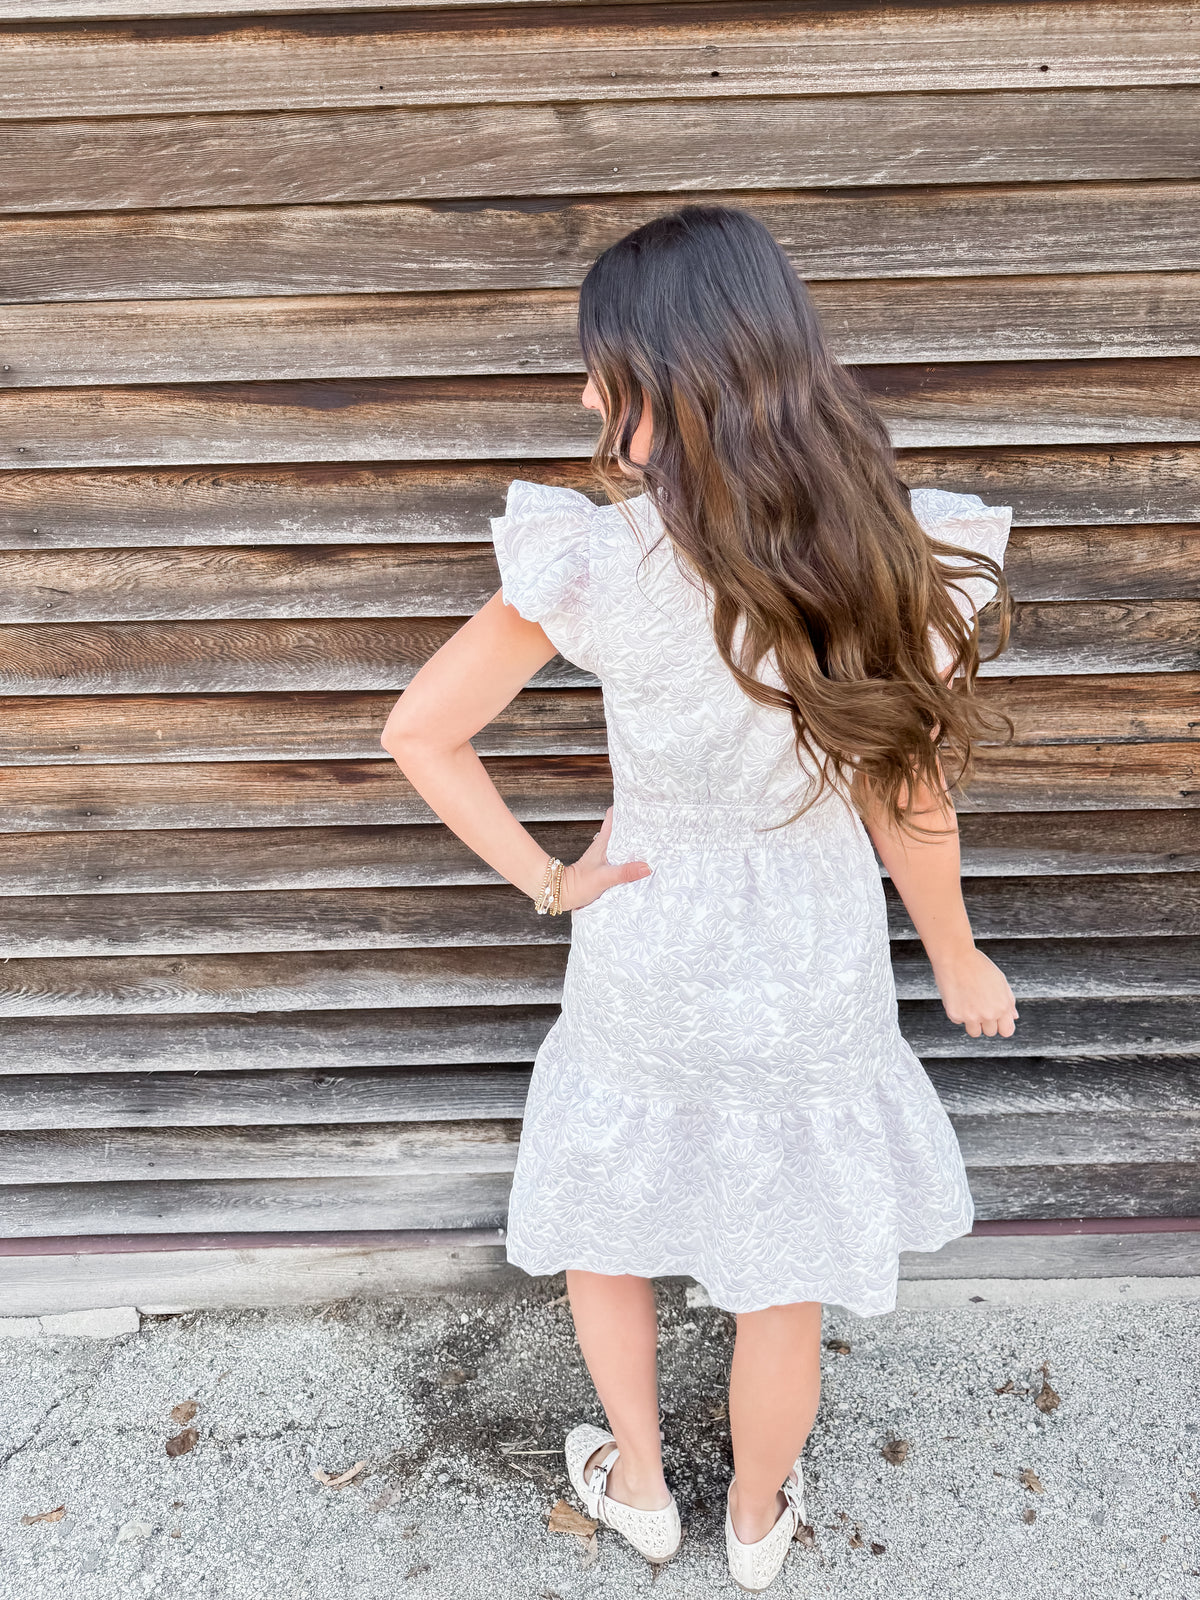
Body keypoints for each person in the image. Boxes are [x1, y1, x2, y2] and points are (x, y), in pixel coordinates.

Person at [382, 206, 1018, 1592]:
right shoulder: (896, 555)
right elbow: (906, 796)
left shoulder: (598, 561)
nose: (587, 399)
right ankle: (756, 1519)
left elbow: (420, 732)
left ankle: (643, 1487)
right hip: (811, 935)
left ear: (664, 386)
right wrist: (958, 958)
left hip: (649, 918)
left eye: (601, 373)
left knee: (608, 1209)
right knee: (781, 1254)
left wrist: (554, 879)